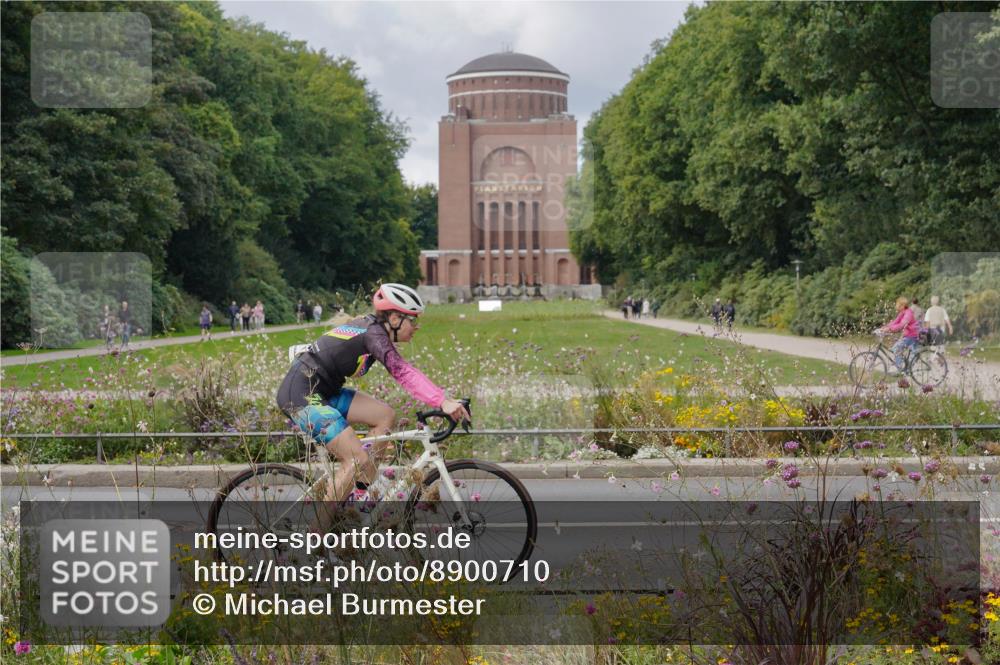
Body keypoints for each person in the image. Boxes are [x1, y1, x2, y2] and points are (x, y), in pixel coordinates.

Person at [276, 283, 470, 504]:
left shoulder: (373, 330)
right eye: (413, 319)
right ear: (395, 319)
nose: (417, 327)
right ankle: (316, 534)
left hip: (324, 393)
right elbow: (403, 372)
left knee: (384, 415)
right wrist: (442, 401)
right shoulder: (373, 334)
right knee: (356, 459)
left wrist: (443, 399)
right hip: (300, 397)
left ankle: (360, 494)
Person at [878, 296, 920, 373]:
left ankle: (900, 369)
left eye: (898, 305)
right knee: (898, 349)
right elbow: (895, 322)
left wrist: (889, 329)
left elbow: (902, 324)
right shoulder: (902, 313)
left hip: (912, 336)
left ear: (903, 305)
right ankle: (905, 367)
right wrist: (884, 328)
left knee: (896, 348)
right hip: (908, 335)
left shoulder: (908, 313)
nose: (897, 306)